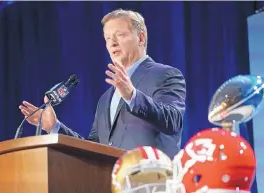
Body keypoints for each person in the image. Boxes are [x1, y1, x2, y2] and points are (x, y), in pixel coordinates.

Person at [19, 9, 186, 158]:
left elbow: (173, 121)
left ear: (141, 37)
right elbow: (93, 148)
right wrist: (54, 127)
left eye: (119, 35)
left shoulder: (165, 74)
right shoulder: (106, 99)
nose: (112, 43)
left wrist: (132, 96)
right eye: (107, 38)